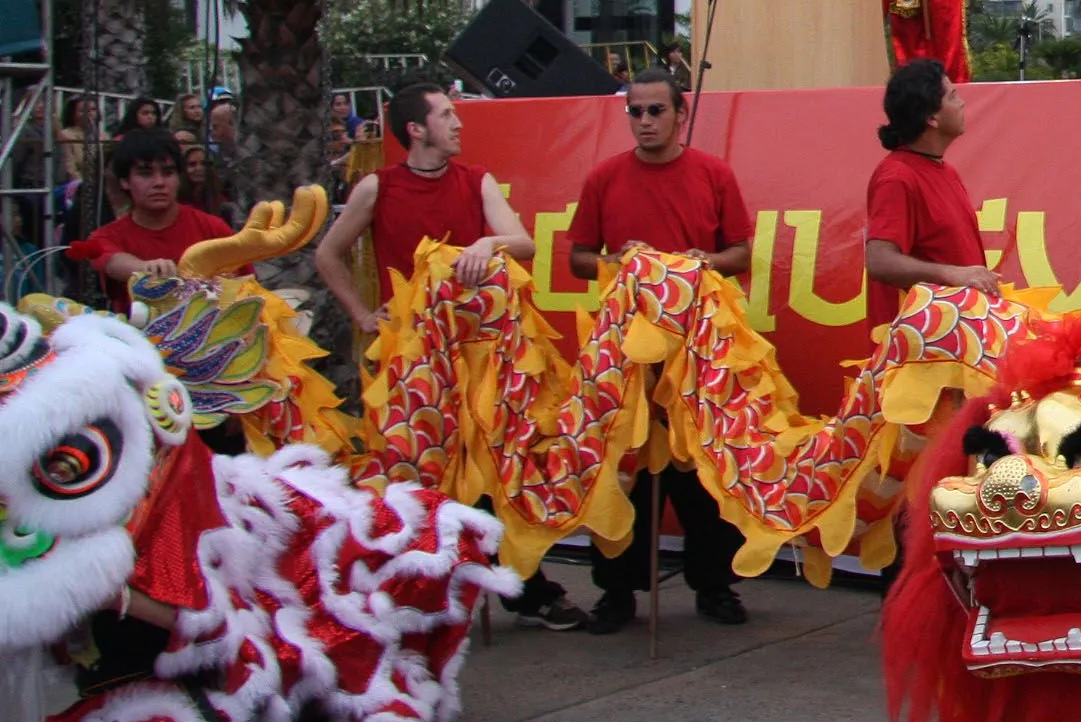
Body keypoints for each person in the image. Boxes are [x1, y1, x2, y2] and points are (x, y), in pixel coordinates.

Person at [313, 83, 583, 631]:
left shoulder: (474, 179)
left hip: (477, 354)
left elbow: (523, 242)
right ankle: (417, 595)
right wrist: (365, 316)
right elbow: (327, 254)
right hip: (412, 360)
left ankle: (523, 587)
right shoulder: (377, 187)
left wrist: (487, 245)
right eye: (446, 115)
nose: (458, 123)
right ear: (416, 129)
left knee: (493, 469)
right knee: (413, 479)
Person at [565, 68, 756, 633]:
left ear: (681, 114)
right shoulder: (604, 177)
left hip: (696, 349)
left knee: (699, 469)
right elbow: (578, 257)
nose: (644, 121)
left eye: (654, 111)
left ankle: (714, 585)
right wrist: (620, 262)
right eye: (635, 112)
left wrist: (704, 262)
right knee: (625, 470)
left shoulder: (713, 174)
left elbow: (741, 252)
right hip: (625, 352)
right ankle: (616, 592)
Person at [863, 60, 1002, 326]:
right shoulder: (897, 177)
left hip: (957, 338)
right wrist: (952, 274)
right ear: (932, 118)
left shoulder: (945, 171)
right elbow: (880, 261)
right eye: (952, 96)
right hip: (921, 350)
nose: (962, 103)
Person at [85, 129, 237, 302]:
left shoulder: (213, 228)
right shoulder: (106, 237)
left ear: (179, 178)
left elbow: (247, 286)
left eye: (168, 173)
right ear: (124, 181)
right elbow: (111, 262)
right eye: (146, 173)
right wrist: (146, 269)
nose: (159, 183)